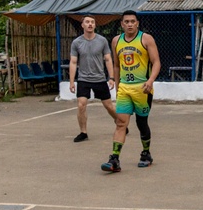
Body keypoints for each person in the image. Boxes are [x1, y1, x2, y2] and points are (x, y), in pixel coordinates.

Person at [101, 10, 160, 172]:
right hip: (124, 89)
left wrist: (150, 81)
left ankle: (146, 153)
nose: (129, 24)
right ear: (122, 24)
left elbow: (156, 63)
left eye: (132, 21)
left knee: (141, 123)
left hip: (142, 88)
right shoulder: (116, 41)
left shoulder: (146, 39)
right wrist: (117, 83)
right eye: (126, 22)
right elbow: (116, 65)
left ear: (137, 23)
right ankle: (114, 159)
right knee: (121, 123)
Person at [69, 15, 118, 142]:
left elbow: (108, 59)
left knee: (109, 106)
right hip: (83, 79)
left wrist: (111, 77)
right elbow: (73, 62)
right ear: (82, 25)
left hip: (99, 78)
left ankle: (120, 123)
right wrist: (71, 82)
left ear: (95, 25)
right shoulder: (76, 42)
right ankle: (83, 132)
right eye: (87, 22)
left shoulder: (102, 41)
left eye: (92, 22)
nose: (90, 24)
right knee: (81, 105)